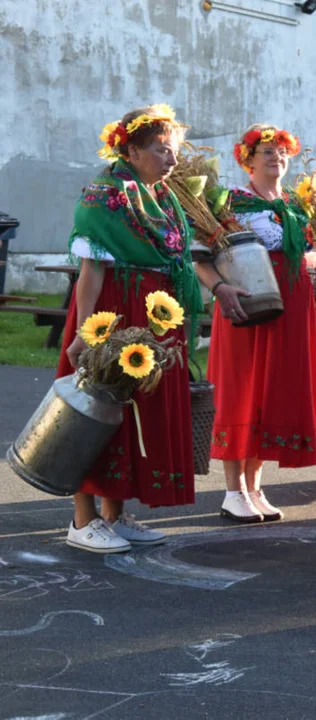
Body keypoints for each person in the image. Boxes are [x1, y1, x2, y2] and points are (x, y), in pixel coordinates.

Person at [59, 104, 200, 552]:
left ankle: (113, 515)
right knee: (94, 410)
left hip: (151, 312)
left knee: (132, 414)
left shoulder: (159, 196)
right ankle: (82, 522)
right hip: (112, 312)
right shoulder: (106, 194)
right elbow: (92, 268)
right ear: (133, 150)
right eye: (161, 151)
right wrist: (86, 332)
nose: (172, 161)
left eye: (173, 151)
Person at [195, 124, 316, 523]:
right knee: (242, 389)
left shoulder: (295, 205)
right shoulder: (230, 201)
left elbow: (309, 252)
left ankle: (254, 486)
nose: (276, 157)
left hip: (291, 309)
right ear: (247, 159)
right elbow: (200, 256)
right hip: (247, 304)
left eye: (282, 151)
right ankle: (233, 490)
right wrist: (219, 289)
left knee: (272, 392)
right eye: (267, 151)